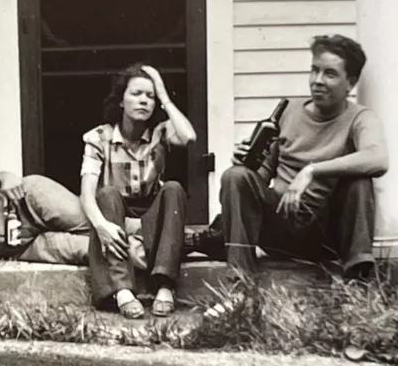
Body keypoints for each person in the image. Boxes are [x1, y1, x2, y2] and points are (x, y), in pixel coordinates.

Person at [219, 34, 388, 293]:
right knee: (235, 176)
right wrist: (246, 164)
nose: (318, 81)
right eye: (314, 70)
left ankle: (358, 282)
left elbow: (378, 158)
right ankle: (239, 287)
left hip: (325, 235)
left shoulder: (360, 118)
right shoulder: (288, 111)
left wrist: (311, 170)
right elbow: (260, 178)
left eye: (330, 74)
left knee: (360, 181)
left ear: (350, 83)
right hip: (279, 229)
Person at [79, 63, 197, 319]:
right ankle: (122, 290)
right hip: (115, 214)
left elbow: (188, 137)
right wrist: (101, 226)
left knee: (173, 188)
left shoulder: (160, 134)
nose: (144, 101)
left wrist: (164, 96)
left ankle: (165, 286)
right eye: (136, 94)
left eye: (150, 96)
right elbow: (87, 194)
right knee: (106, 193)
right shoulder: (99, 137)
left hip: (150, 216)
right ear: (121, 100)